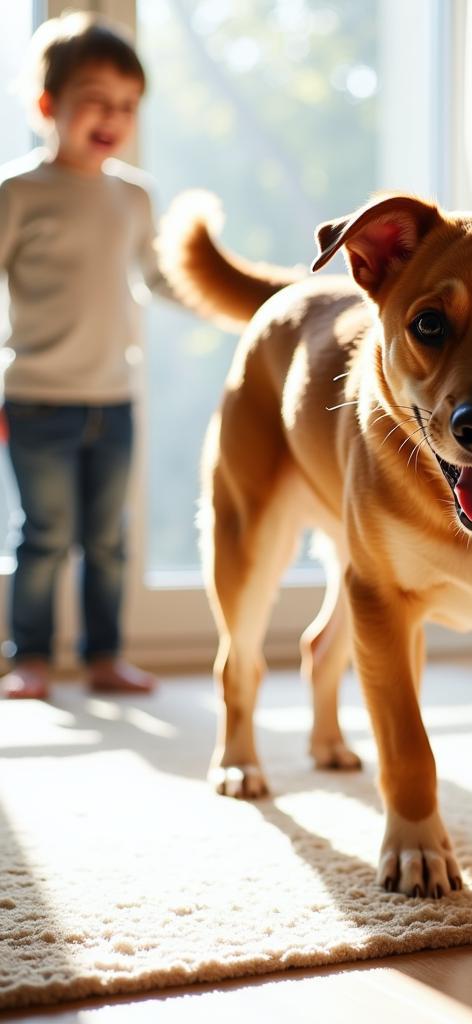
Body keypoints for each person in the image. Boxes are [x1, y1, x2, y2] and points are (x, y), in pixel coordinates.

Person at [0, 11, 174, 699]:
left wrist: (241, 297)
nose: (112, 116)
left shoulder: (134, 197)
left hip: (114, 399)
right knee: (44, 536)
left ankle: (105, 657)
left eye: (127, 105)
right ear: (49, 105)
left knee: (108, 541)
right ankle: (31, 659)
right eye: (95, 100)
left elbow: (161, 280)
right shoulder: (16, 194)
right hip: (37, 396)